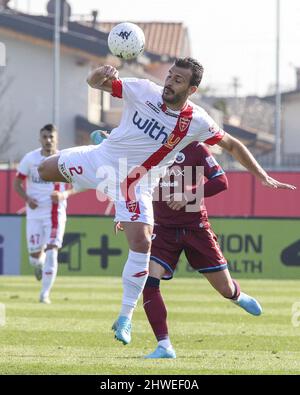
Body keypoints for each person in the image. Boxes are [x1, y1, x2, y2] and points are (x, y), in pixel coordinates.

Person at [37, 58, 295, 345]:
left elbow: (232, 145)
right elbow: (95, 83)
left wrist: (262, 176)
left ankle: (124, 318)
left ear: (192, 89)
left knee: (142, 243)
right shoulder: (143, 89)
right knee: (43, 170)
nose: (169, 83)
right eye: (170, 76)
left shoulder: (196, 122)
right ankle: (105, 158)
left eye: (178, 80)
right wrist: (99, 73)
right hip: (102, 160)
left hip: (134, 184)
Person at [140, 142, 262, 359]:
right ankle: (164, 345)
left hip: (196, 228)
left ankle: (237, 296)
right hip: (164, 229)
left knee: (225, 289)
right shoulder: (149, 142)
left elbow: (221, 181)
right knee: (148, 280)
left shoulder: (196, 148)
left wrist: (189, 195)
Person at [14, 124, 76, 304]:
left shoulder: (64, 158)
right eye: (45, 137)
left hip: (55, 212)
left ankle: (44, 294)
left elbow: (78, 184)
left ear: (56, 139)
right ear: (40, 138)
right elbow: (17, 183)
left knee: (52, 252)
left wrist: (64, 194)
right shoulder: (30, 158)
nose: (48, 140)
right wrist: (27, 199)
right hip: (34, 213)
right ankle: (38, 265)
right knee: (35, 257)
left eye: (51, 137)